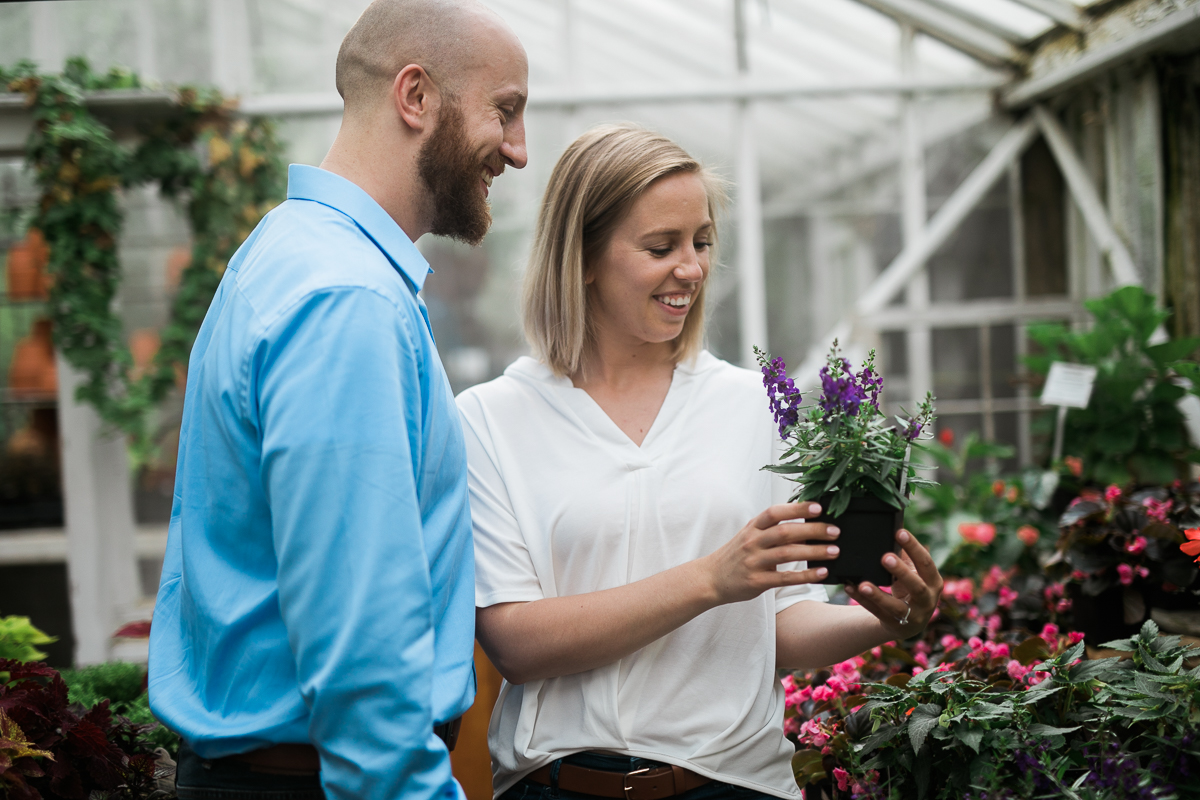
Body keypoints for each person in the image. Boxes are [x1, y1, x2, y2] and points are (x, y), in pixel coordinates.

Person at [456, 125, 945, 800]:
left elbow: (778, 625)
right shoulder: (491, 419)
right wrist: (711, 578)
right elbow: (516, 644)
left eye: (702, 242)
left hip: (734, 785)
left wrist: (886, 619)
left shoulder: (754, 408)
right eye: (661, 246)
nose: (691, 268)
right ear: (584, 256)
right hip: (560, 786)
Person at [147, 2, 527, 799]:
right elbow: (361, 647)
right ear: (414, 96)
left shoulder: (288, 254)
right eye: (506, 111)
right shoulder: (346, 299)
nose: (519, 151)